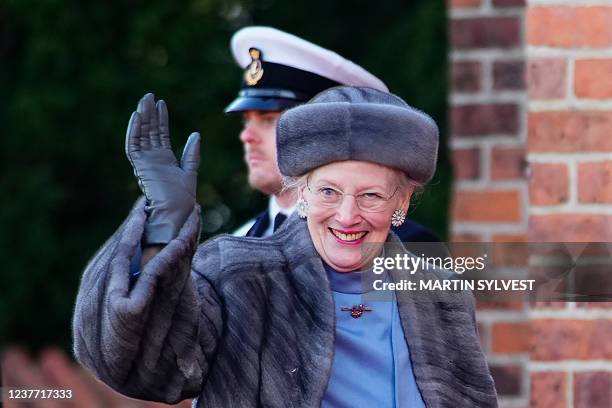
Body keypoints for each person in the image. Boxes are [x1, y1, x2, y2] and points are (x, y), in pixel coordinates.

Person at [72, 87, 497, 407]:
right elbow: (144, 366)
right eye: (328, 191)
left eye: (371, 196)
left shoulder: (438, 290)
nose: (348, 216)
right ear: (302, 192)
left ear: (401, 202)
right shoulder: (237, 276)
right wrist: (163, 225)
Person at [225, 26, 439, 242]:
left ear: (330, 132)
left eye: (270, 120)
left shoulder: (408, 247)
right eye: (247, 120)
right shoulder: (241, 238)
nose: (247, 136)